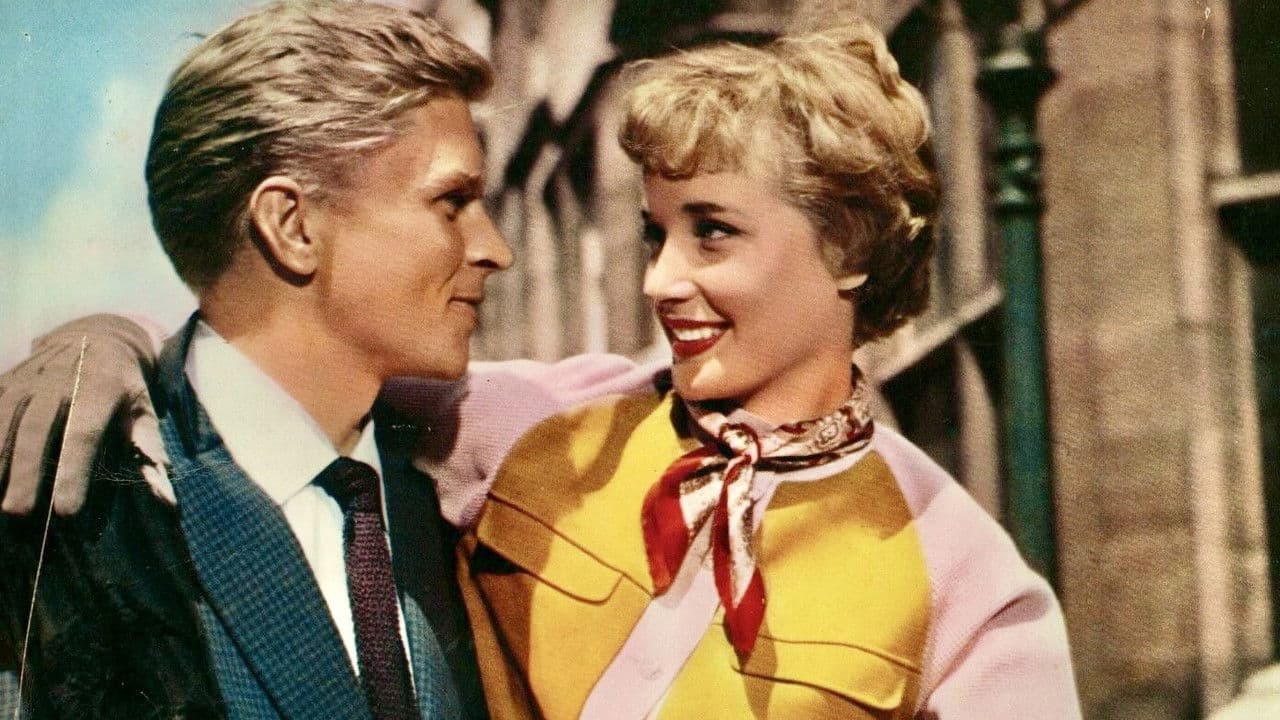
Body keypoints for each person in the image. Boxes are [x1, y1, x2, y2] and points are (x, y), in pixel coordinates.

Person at [0, 15, 1082, 720]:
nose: (659, 281)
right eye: (655, 232)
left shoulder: (966, 575)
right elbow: (272, 365)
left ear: (847, 249)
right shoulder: (525, 421)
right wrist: (99, 339)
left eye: (711, 233)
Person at [0, 1, 511, 718]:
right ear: (292, 225)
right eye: (452, 202)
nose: (495, 250)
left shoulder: (438, 491)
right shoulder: (74, 521)